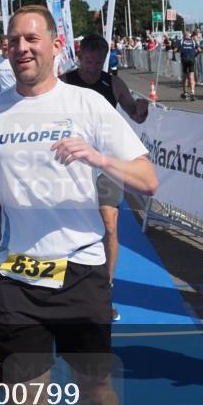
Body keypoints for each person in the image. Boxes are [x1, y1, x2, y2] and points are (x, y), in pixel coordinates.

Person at [0, 6, 157, 405]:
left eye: (31, 38)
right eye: (12, 40)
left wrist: (98, 157)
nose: (21, 47)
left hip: (81, 272)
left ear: (54, 44)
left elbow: (148, 181)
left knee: (96, 395)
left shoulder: (88, 106)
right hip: (13, 278)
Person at [60, 33, 150, 323]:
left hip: (106, 162)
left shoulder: (112, 82)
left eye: (98, 63)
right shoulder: (64, 82)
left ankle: (104, 290)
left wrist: (142, 108)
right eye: (88, 62)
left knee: (109, 227)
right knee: (68, 227)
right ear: (79, 57)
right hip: (72, 165)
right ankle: (65, 287)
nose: (92, 68)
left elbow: (134, 115)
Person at [179, 31, 198, 100]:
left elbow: (176, 49)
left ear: (184, 35)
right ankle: (192, 92)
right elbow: (199, 49)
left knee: (184, 76)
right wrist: (195, 55)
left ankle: (185, 92)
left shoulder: (181, 41)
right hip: (191, 59)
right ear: (189, 36)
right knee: (191, 76)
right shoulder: (193, 41)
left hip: (184, 59)